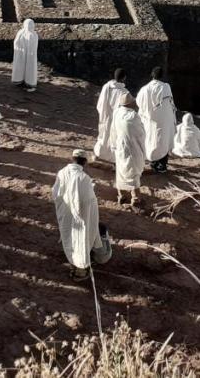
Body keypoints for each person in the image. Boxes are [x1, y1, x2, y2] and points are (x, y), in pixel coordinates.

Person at [52, 150, 102, 280]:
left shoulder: (62, 172)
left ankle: (73, 264)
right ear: (84, 162)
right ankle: (80, 270)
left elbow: (55, 193)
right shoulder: (84, 178)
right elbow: (88, 201)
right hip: (81, 216)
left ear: (72, 158)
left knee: (68, 236)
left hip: (65, 212)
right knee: (81, 239)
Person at [109, 93, 147, 207]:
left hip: (120, 147)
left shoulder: (117, 112)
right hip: (133, 148)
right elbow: (141, 132)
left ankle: (121, 196)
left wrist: (114, 145)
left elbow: (113, 130)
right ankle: (135, 199)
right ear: (130, 103)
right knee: (133, 173)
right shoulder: (133, 116)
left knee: (121, 171)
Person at [136, 67, 176, 173]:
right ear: (162, 75)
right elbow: (170, 104)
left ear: (152, 75)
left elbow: (139, 103)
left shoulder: (145, 89)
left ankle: (152, 162)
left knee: (151, 140)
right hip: (164, 121)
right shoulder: (166, 87)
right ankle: (161, 166)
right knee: (163, 141)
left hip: (150, 121)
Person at [94, 68, 128, 162]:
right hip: (116, 119)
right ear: (124, 78)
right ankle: (113, 159)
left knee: (103, 135)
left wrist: (103, 112)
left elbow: (100, 103)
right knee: (114, 138)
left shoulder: (106, 86)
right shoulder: (124, 92)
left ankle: (99, 153)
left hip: (105, 116)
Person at [10, 19, 39, 91]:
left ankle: (18, 79)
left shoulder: (20, 32)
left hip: (20, 53)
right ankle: (29, 81)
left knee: (19, 66)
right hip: (30, 55)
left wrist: (19, 50)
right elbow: (34, 47)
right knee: (30, 68)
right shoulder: (33, 34)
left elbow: (15, 43)